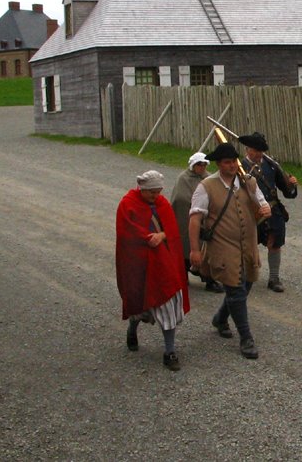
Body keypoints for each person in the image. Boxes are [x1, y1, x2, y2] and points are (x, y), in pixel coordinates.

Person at [189, 143, 272, 359]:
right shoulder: (206, 186)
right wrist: (195, 250)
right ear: (219, 164)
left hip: (248, 243)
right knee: (235, 290)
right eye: (227, 162)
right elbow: (195, 219)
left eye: (234, 161)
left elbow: (262, 204)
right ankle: (246, 338)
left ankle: (220, 318)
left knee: (246, 284)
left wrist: (266, 209)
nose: (233, 165)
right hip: (222, 245)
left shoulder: (248, 182)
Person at [115, 170, 190, 371]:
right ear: (142, 189)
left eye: (158, 192)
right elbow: (125, 232)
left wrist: (163, 234)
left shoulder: (163, 204)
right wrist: (147, 237)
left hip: (164, 264)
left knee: (169, 303)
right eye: (151, 193)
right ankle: (133, 327)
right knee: (141, 306)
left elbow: (173, 229)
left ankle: (169, 351)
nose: (155, 196)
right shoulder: (128, 204)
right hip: (140, 264)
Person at [239, 132, 298, 293]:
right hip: (249, 212)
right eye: (255, 150)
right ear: (247, 150)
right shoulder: (239, 166)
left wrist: (292, 184)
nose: (258, 154)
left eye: (260, 150)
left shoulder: (272, 165)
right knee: (247, 246)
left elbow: (287, 191)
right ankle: (243, 276)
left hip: (272, 210)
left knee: (275, 243)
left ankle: (274, 278)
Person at [170, 151, 224, 293]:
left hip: (205, 220)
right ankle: (183, 276)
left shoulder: (208, 178)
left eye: (204, 164)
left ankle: (209, 280)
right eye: (199, 164)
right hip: (186, 219)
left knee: (207, 250)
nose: (202, 167)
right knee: (185, 247)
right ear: (193, 165)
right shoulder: (183, 178)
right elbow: (179, 198)